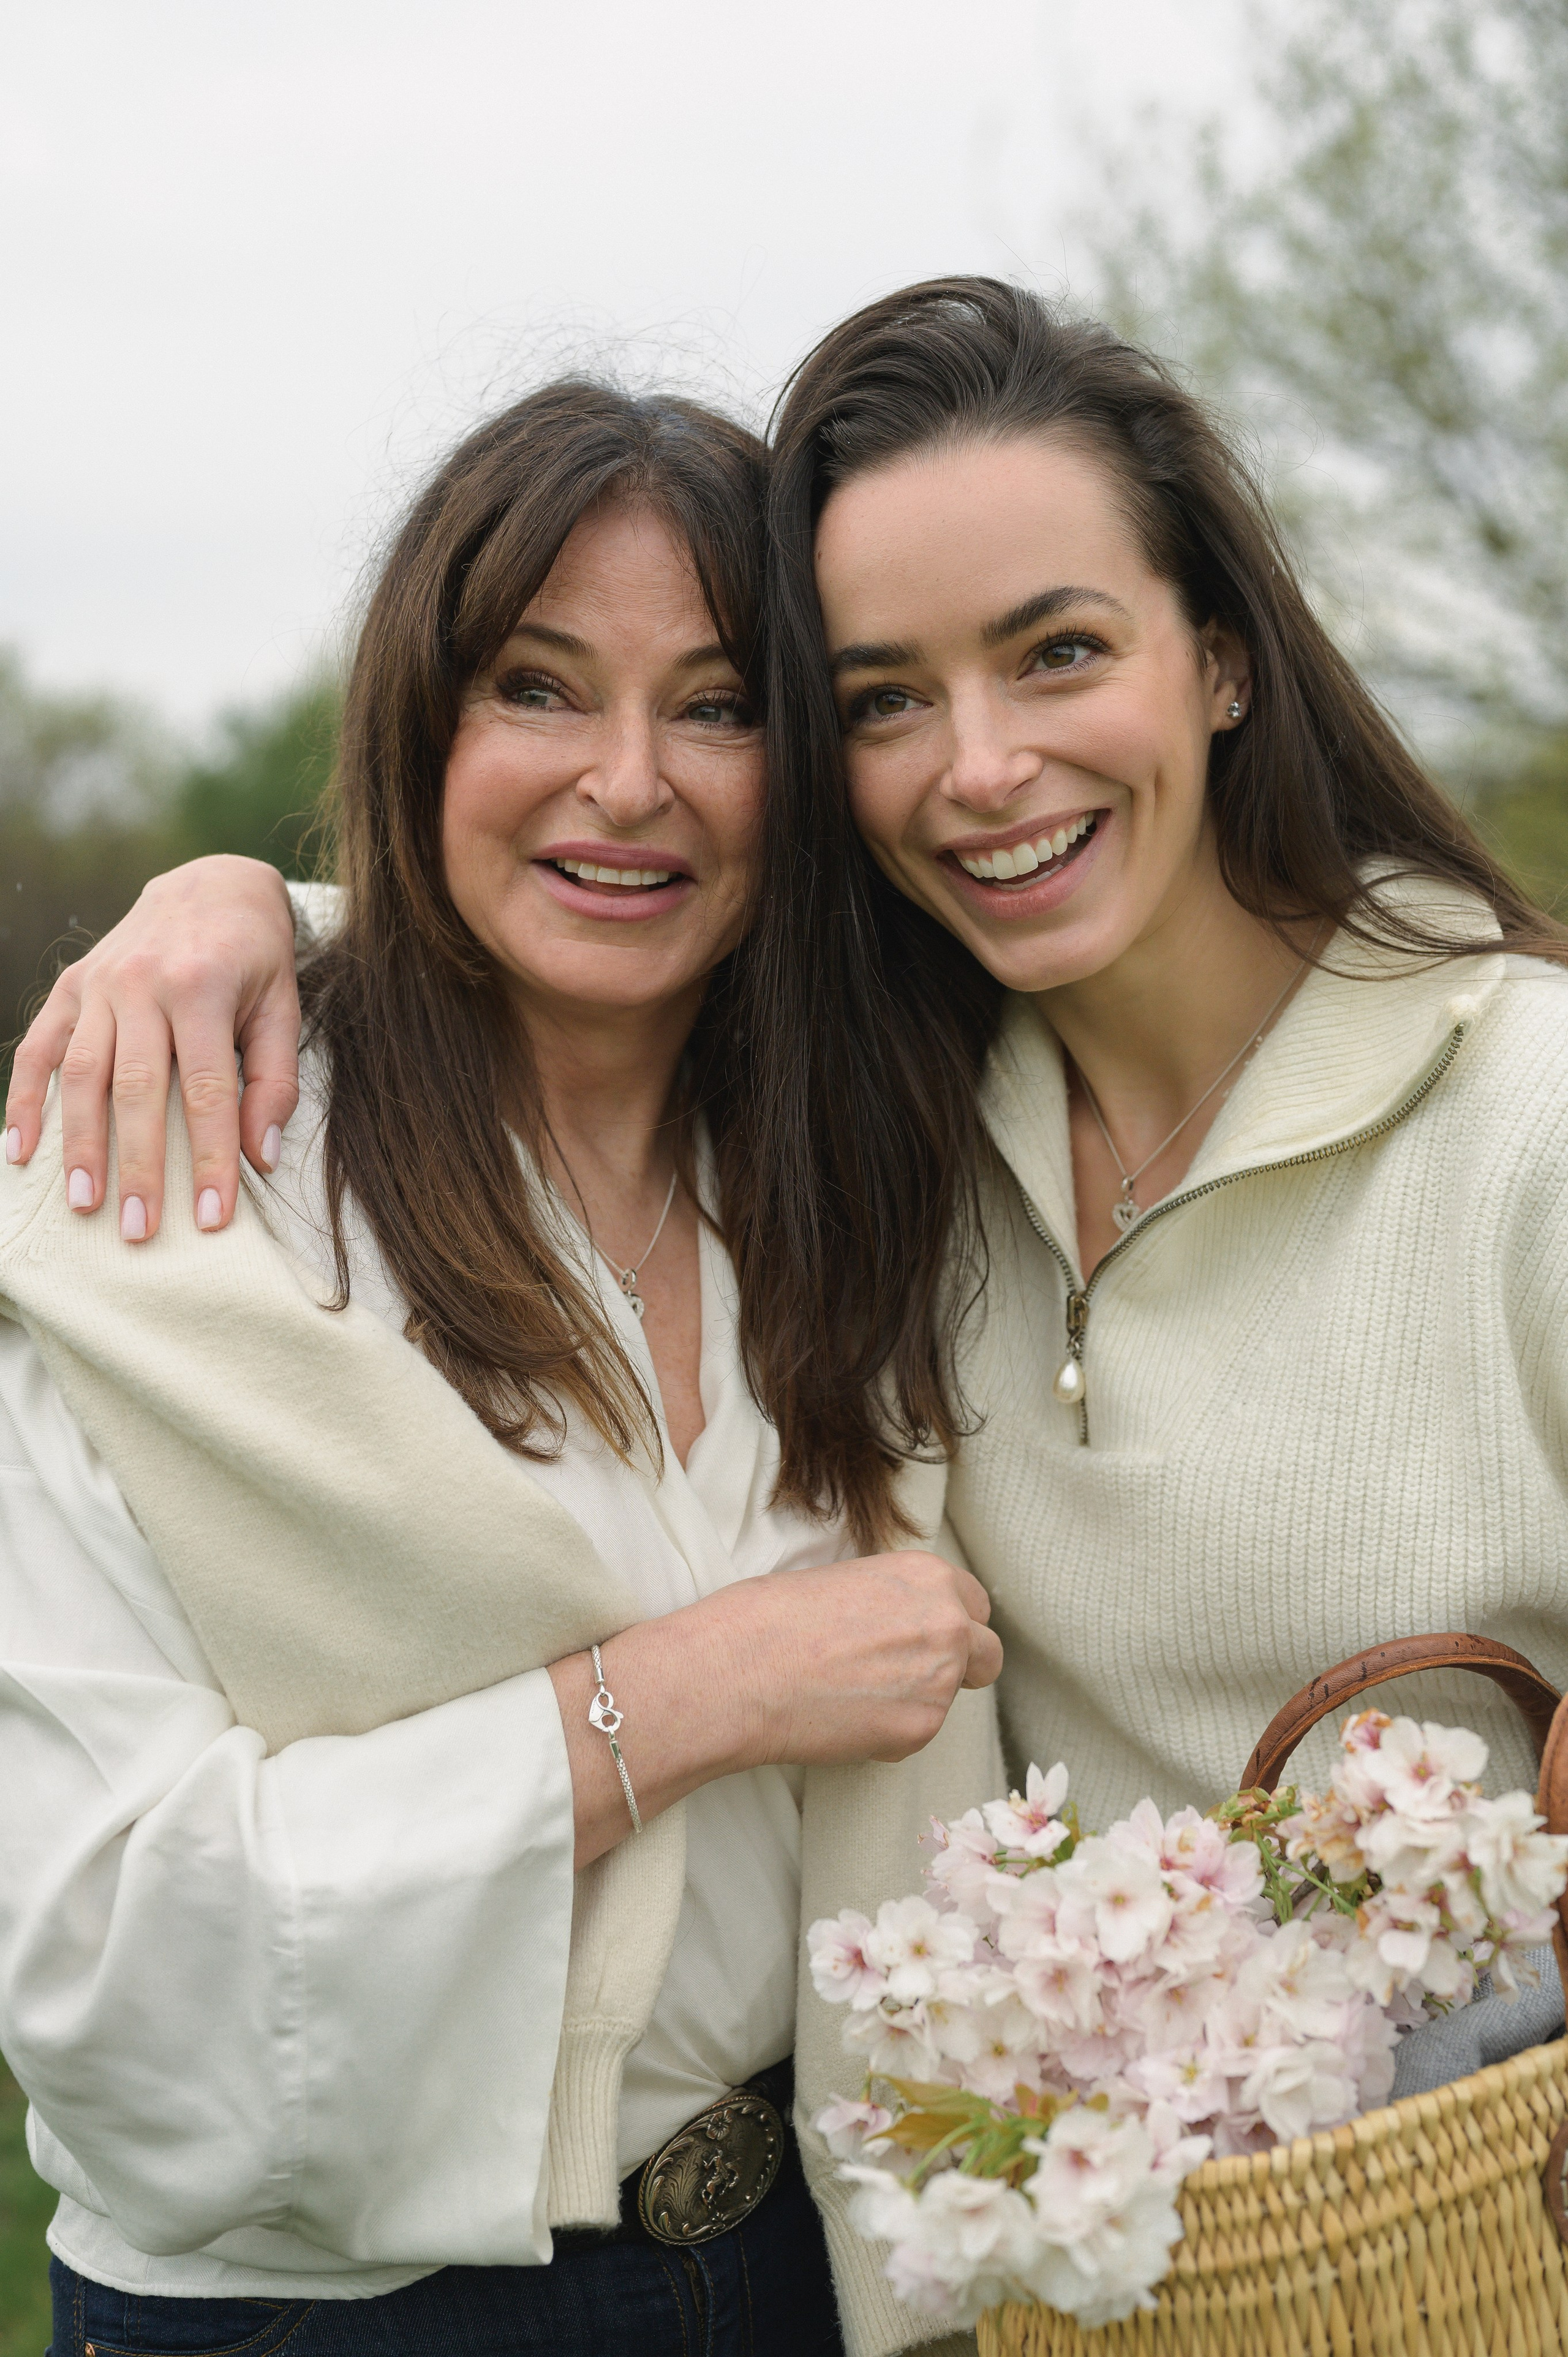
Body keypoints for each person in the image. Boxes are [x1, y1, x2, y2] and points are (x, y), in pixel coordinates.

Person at [21, 276, 1568, 2094]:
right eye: (886, 699)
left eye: (1059, 651)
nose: (982, 766)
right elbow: (564, 924)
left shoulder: (1521, 1109)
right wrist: (250, 913)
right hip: (1090, 2259)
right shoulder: (892, 1128)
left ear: (1222, 655)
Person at [0, 380, 1003, 2357]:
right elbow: (106, 1965)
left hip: (823, 2260)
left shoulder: (871, 1171)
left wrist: (248, 903)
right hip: (340, 2317)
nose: (629, 782)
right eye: (536, 690)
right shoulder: (160, 1201)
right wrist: (683, 1698)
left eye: (719, 708)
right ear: (416, 725)